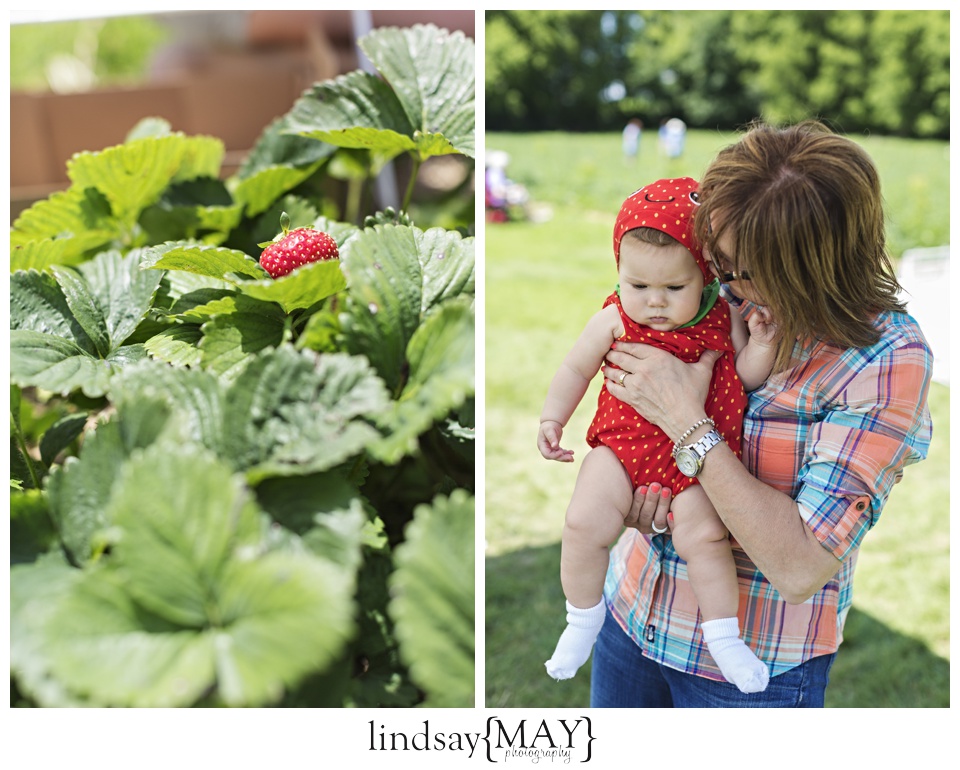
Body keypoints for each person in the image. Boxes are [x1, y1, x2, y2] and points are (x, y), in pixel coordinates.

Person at [592, 120, 933, 707]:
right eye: (715, 259)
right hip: (631, 611)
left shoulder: (886, 359)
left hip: (752, 670)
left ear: (810, 267)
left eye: (738, 269)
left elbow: (800, 565)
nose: (717, 283)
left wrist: (687, 425)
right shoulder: (720, 291)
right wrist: (633, 494)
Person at [538, 178, 778, 693]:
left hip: (697, 462)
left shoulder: (723, 317)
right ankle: (582, 620)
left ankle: (724, 638)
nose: (654, 303)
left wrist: (759, 344)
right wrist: (552, 418)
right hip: (620, 451)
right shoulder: (615, 319)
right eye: (638, 286)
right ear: (619, 274)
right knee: (583, 522)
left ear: (707, 277)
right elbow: (575, 368)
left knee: (706, 540)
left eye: (674, 289)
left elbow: (747, 376)